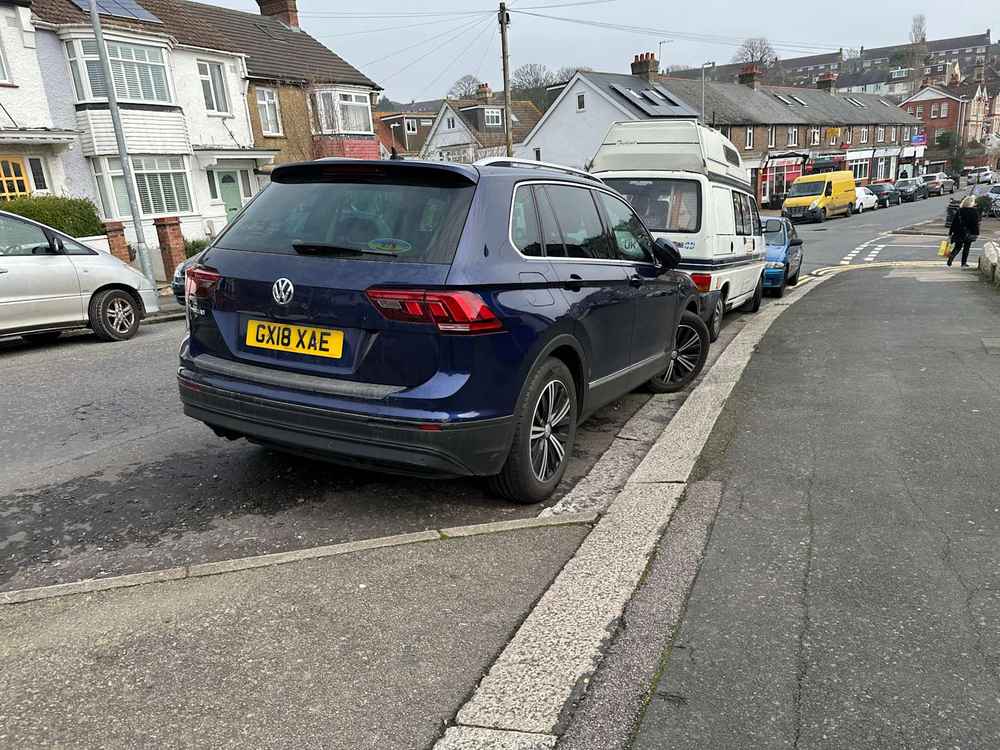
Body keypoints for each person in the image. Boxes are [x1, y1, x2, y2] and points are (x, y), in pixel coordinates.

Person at [948, 195, 980, 267]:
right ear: (971, 203)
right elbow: (975, 224)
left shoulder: (959, 211)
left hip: (959, 232)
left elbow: (954, 223)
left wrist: (950, 233)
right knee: (966, 248)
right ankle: (963, 263)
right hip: (969, 233)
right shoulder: (974, 211)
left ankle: (951, 257)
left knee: (957, 247)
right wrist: (976, 233)